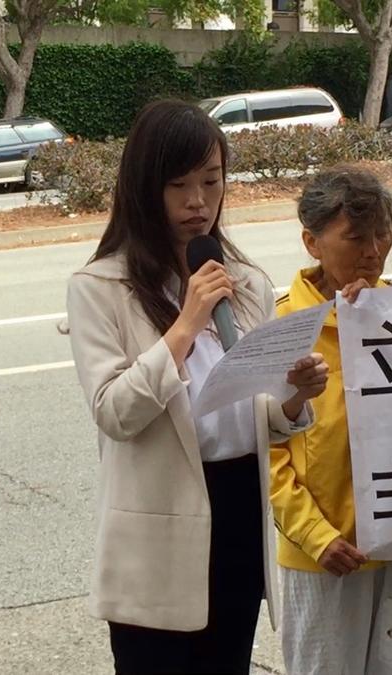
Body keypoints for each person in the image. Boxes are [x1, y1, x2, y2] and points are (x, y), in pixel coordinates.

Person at [66, 99, 329, 675]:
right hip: (157, 529)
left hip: (237, 513)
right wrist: (184, 326)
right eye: (178, 184)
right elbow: (114, 412)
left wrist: (294, 396)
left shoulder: (246, 281)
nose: (197, 202)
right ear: (143, 189)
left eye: (211, 181)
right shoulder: (100, 287)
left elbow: (252, 408)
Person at [269, 165, 392, 675]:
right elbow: (264, 453)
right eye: (356, 237)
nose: (373, 251)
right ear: (312, 243)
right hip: (324, 555)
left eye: (383, 234)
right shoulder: (282, 327)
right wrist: (317, 536)